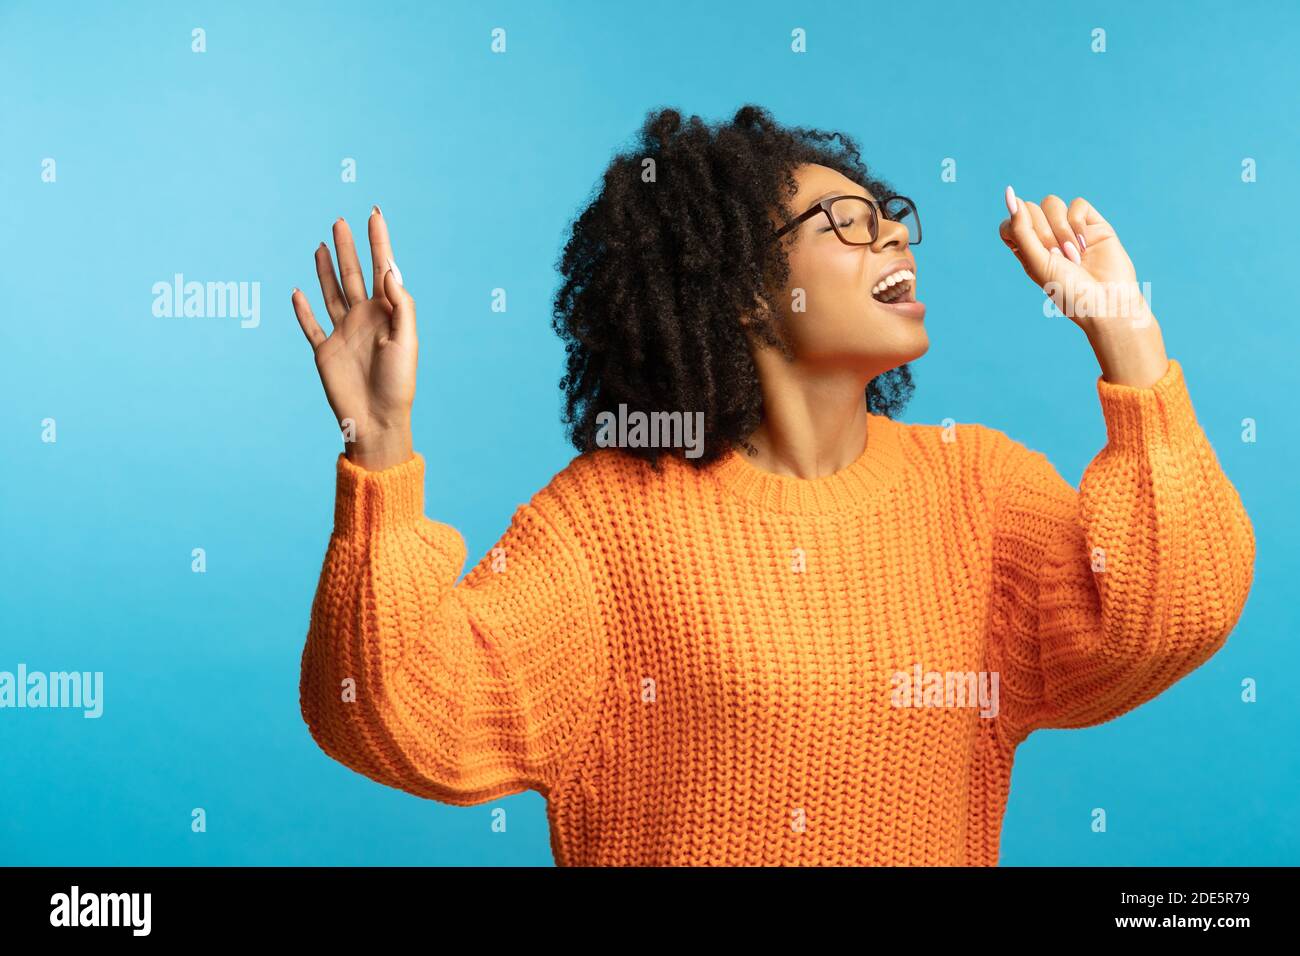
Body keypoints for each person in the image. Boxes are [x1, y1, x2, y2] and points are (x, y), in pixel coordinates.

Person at [292, 105, 1254, 866]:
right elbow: (391, 711)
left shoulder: (980, 490)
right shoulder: (608, 523)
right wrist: (378, 445)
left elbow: (1168, 611)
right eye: (847, 223)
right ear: (745, 287)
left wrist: (1127, 334)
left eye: (890, 218)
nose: (894, 241)